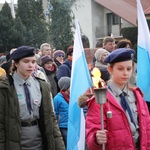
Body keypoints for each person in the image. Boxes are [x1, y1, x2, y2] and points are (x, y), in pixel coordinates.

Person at [0, 46, 65, 150]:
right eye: (26, 61)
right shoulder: (5, 87)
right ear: (16, 63)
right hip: (15, 141)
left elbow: (50, 119)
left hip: (39, 141)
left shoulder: (41, 85)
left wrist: (60, 146)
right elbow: (1, 123)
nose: (30, 65)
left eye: (33, 61)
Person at [85, 48, 150, 150]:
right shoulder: (100, 100)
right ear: (110, 69)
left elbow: (147, 129)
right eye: (120, 69)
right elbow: (91, 135)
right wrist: (96, 138)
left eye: (128, 69)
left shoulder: (137, 96)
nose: (125, 73)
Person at [53, 77, 71, 148]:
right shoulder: (57, 98)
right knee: (66, 144)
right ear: (66, 87)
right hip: (63, 126)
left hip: (71, 125)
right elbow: (55, 112)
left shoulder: (72, 97)